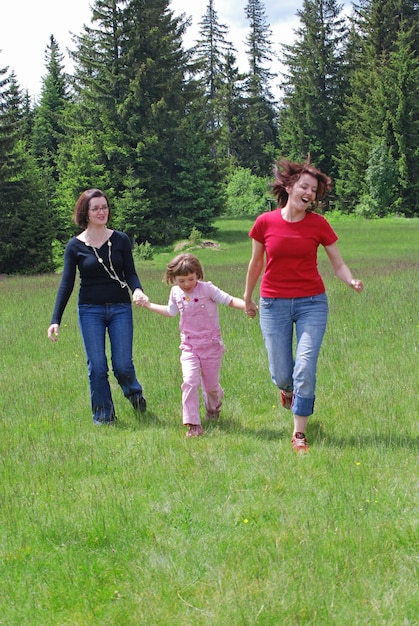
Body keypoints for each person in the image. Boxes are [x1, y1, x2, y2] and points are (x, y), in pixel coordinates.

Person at [244, 157, 364, 452]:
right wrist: (247, 298)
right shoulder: (265, 222)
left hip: (312, 303)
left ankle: (299, 433)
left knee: (305, 367)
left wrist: (350, 280)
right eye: (304, 186)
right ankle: (287, 392)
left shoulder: (318, 224)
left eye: (314, 191)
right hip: (273, 303)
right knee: (282, 373)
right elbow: (255, 263)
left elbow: (338, 263)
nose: (309, 193)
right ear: (289, 186)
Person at [47, 188, 148, 425]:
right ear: (86, 212)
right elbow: (66, 285)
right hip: (90, 310)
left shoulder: (120, 239)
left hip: (121, 308)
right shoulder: (74, 246)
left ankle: (134, 394)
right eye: (96, 208)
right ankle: (104, 417)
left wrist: (138, 290)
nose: (102, 212)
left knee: (122, 364)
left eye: (104, 207)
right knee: (97, 367)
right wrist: (55, 320)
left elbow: (130, 273)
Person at [140, 253, 254, 437]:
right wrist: (148, 305)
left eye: (191, 279)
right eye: (181, 280)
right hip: (189, 346)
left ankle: (213, 407)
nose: (187, 284)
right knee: (190, 382)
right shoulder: (176, 293)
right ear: (173, 279)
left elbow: (229, 300)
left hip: (211, 345)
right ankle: (193, 424)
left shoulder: (207, 289)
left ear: (198, 274)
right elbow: (170, 312)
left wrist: (247, 306)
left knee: (210, 387)